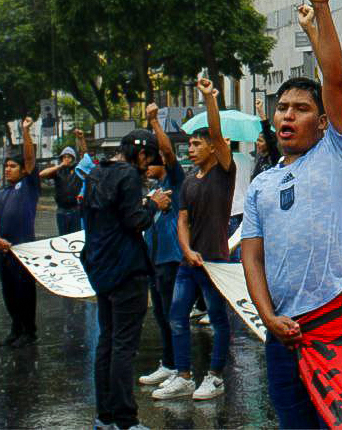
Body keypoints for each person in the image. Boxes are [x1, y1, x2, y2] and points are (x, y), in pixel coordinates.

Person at [241, 0, 342, 429]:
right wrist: (268, 317)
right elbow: (251, 258)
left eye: (301, 108)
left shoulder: (341, 154)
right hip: (283, 335)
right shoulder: (261, 185)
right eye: (282, 108)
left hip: (337, 323)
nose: (288, 115)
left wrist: (322, 10)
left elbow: (333, 77)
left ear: (323, 121)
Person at [81, 128, 171, 430]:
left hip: (100, 268)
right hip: (126, 270)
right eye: (147, 160)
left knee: (106, 342)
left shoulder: (96, 173)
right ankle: (125, 419)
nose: (147, 166)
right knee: (123, 346)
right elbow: (136, 220)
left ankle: (104, 417)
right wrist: (153, 204)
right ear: (141, 153)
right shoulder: (128, 175)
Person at [153, 77, 234, 401]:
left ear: (213, 148)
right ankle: (184, 375)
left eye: (197, 144)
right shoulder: (188, 181)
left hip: (214, 261)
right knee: (176, 317)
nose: (191, 149)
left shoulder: (224, 171)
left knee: (217, 319)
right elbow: (182, 220)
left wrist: (208, 98)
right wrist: (186, 250)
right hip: (190, 262)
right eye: (190, 145)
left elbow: (216, 131)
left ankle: (215, 376)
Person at [137, 102, 187, 389]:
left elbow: (168, 152)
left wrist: (154, 122)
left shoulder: (175, 180)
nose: (147, 168)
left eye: (151, 163)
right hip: (153, 260)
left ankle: (180, 368)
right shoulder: (151, 190)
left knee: (173, 315)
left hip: (171, 258)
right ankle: (168, 363)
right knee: (160, 313)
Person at [0, 117, 41, 348]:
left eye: (12, 166)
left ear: (22, 170)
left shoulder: (28, 187)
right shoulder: (2, 194)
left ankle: (29, 331)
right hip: (5, 252)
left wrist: (25, 132)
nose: (8, 170)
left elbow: (30, 159)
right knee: (9, 293)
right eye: (6, 166)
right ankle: (16, 328)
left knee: (24, 292)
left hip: (23, 252)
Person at [38, 140, 84, 235]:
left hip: (75, 209)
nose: (66, 159)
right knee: (63, 237)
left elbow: (85, 156)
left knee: (75, 237)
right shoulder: (58, 171)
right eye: (64, 156)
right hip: (61, 210)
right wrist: (60, 165)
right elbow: (41, 174)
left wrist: (81, 139)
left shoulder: (78, 170)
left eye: (69, 156)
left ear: (73, 158)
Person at [251, 98, 280, 181]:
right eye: (257, 140)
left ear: (268, 142)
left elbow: (268, 134)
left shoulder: (274, 157)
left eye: (260, 141)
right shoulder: (260, 159)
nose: (257, 143)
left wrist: (260, 112)